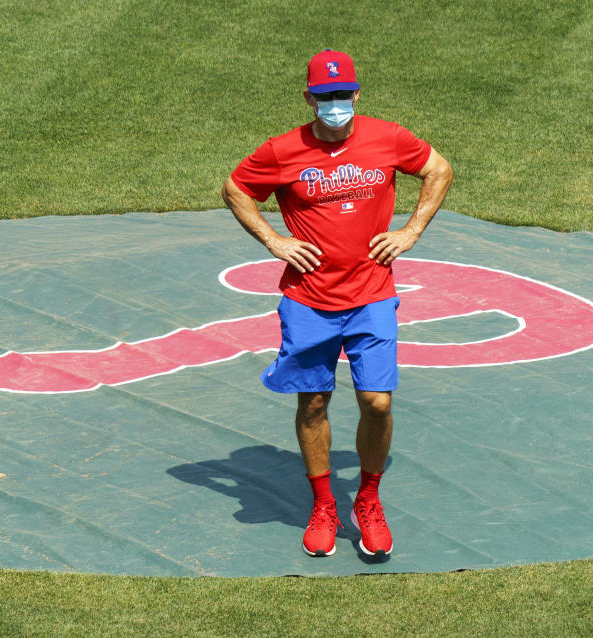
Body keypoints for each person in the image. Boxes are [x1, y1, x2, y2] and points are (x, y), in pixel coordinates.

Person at [221, 49, 453, 557]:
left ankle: (367, 499)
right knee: (315, 402)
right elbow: (236, 188)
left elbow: (439, 170)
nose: (334, 103)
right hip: (309, 299)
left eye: (342, 94)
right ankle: (324, 503)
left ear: (356, 94)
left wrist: (411, 231)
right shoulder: (282, 151)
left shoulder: (388, 137)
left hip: (372, 294)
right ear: (308, 98)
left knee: (377, 401)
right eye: (324, 96)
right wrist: (274, 241)